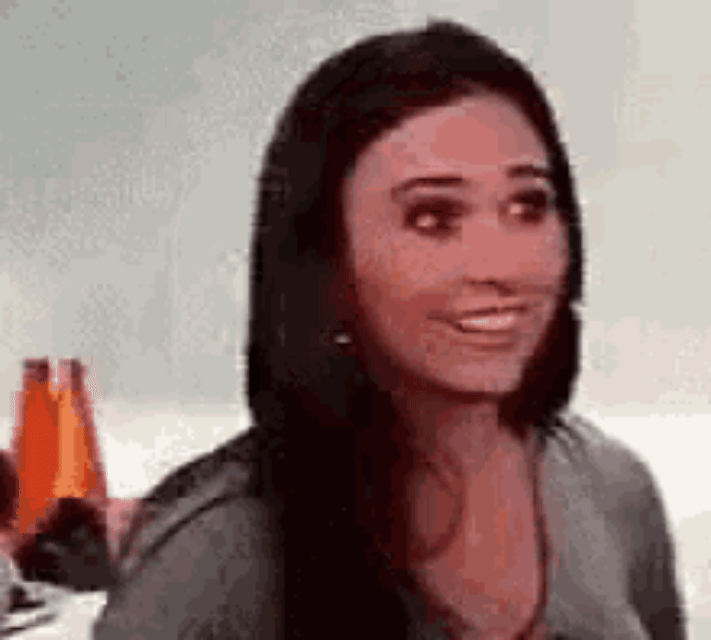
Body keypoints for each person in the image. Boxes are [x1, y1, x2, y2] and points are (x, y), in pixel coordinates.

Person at [92, 20, 686, 640]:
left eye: (528, 206)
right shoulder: (216, 555)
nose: (501, 266)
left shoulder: (610, 490)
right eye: (433, 217)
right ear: (327, 260)